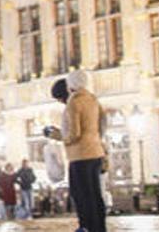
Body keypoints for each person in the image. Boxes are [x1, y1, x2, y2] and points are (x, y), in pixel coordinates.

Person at [45, 71, 107, 232]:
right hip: (96, 152)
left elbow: (74, 134)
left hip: (80, 155)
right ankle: (99, 227)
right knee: (95, 195)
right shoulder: (93, 99)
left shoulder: (74, 102)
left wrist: (56, 135)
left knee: (81, 194)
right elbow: (101, 126)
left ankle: (85, 226)